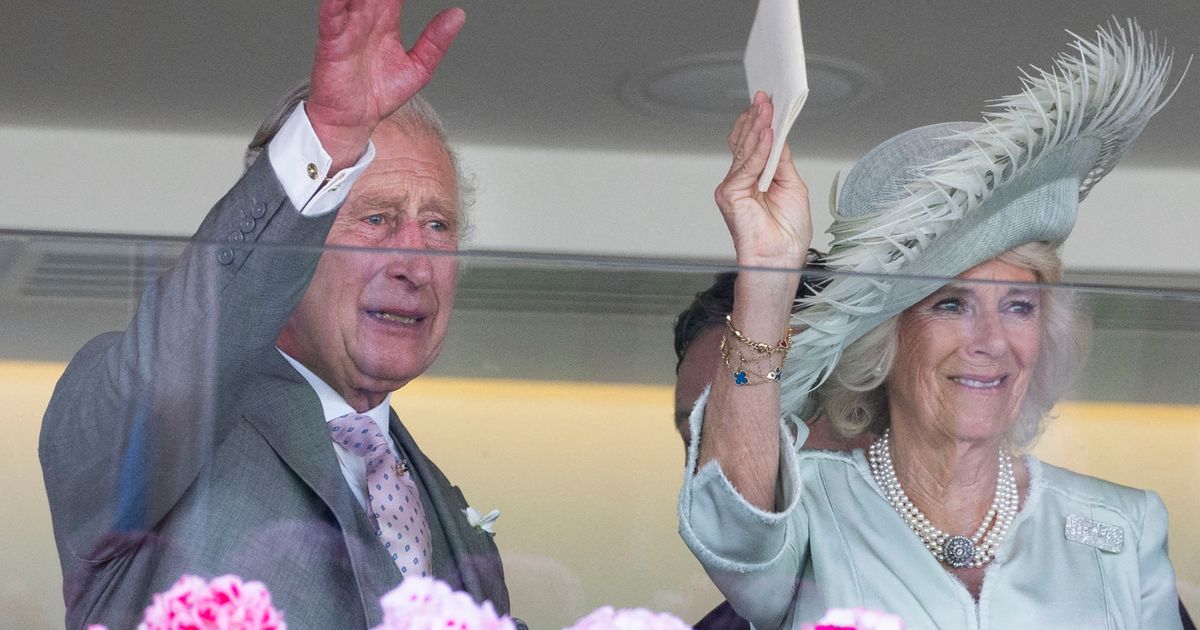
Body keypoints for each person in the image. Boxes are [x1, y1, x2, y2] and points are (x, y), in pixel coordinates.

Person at [678, 21, 1188, 629]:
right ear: (886, 337)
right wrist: (766, 274)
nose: (992, 341)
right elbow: (732, 525)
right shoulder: (809, 506)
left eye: (1019, 307)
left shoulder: (1123, 527)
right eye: (951, 304)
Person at [38, 2, 512, 628]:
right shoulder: (182, 418)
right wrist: (328, 140)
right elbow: (181, 371)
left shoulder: (451, 515)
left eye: (437, 226)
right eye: (375, 220)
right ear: (298, 245)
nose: (415, 265)